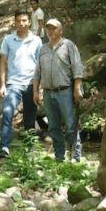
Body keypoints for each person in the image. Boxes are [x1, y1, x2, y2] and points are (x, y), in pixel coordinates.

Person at [33, 18, 84, 162]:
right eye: (48, 28)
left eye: (53, 28)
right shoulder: (43, 49)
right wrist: (36, 91)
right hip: (48, 93)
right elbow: (37, 72)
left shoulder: (69, 45)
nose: (51, 31)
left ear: (60, 30)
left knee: (70, 125)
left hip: (65, 91)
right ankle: (59, 156)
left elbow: (77, 68)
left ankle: (75, 157)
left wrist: (77, 88)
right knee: (53, 127)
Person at [0, 10, 43, 158]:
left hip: (31, 83)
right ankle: (4, 147)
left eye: (24, 20)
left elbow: (40, 65)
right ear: (15, 22)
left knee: (30, 118)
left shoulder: (37, 40)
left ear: (29, 22)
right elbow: (3, 62)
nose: (22, 23)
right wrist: (3, 84)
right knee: (7, 112)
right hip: (14, 84)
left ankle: (30, 149)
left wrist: (39, 88)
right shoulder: (8, 40)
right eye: (19, 21)